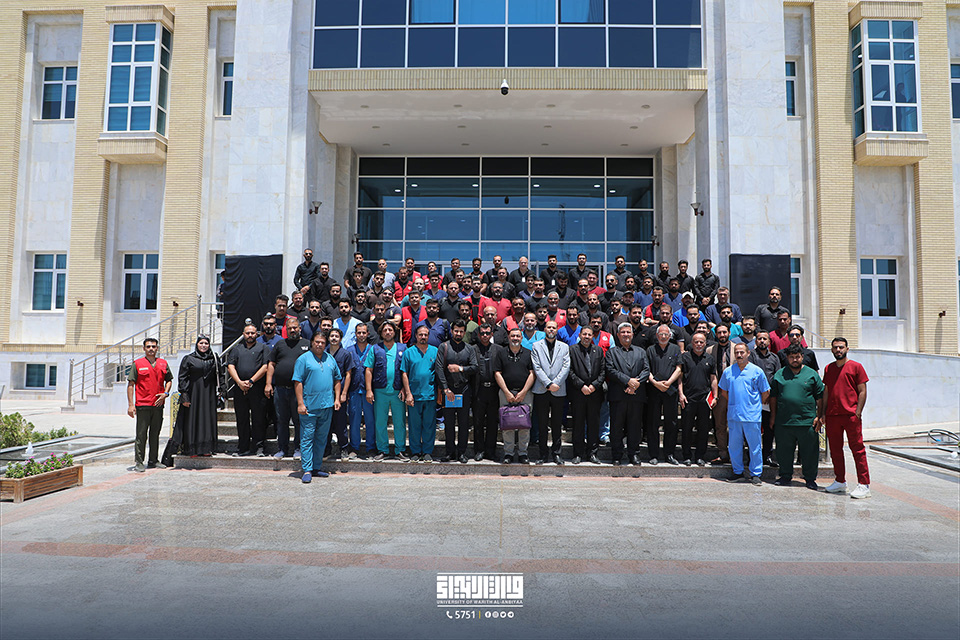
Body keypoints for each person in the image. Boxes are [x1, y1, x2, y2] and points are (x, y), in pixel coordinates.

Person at [770, 344, 825, 490]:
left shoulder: (811, 374)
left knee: (810, 452)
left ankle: (810, 479)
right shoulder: (780, 374)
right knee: (784, 451)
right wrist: (773, 417)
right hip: (784, 421)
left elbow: (820, 397)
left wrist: (819, 416)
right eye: (791, 357)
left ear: (802, 357)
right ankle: (785, 476)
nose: (795, 360)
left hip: (807, 421)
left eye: (797, 357)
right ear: (787, 358)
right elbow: (773, 397)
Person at [822, 338, 871, 499]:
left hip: (851, 415)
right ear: (831, 350)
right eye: (835, 347)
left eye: (841, 347)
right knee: (835, 450)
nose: (838, 350)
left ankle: (864, 484)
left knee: (857, 449)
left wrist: (858, 412)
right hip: (833, 415)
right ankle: (840, 481)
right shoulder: (828, 368)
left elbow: (862, 391)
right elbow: (826, 391)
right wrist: (823, 413)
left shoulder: (856, 367)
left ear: (847, 349)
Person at [719, 342, 771, 484]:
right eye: (736, 352)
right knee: (734, 446)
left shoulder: (757, 371)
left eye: (742, 352)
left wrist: (753, 405)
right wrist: (735, 402)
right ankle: (737, 472)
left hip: (752, 416)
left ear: (748, 353)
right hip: (734, 415)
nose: (739, 355)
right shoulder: (728, 372)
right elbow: (724, 392)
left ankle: (756, 474)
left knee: (755, 446)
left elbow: (765, 392)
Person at [293, 331, 342, 483]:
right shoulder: (303, 359)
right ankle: (307, 469)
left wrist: (337, 399)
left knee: (321, 438)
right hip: (309, 407)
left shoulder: (330, 359)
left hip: (326, 405)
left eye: (322, 342)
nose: (320, 345)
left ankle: (316, 467)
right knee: (307, 438)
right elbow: (298, 382)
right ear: (312, 343)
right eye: (317, 342)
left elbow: (337, 379)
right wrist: (300, 403)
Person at [605, 323, 650, 466]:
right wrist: (627, 381)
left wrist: (635, 383)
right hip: (618, 395)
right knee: (616, 428)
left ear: (632, 334)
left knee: (635, 427)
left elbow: (646, 370)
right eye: (623, 332)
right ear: (618, 335)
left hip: (636, 395)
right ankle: (616, 455)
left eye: (628, 332)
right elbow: (610, 370)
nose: (626, 334)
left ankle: (634, 454)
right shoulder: (612, 352)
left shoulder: (641, 351)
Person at [266, 317, 310, 459]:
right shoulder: (280, 344)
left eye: (295, 328)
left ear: (299, 328)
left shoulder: (307, 344)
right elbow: (271, 364)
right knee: (282, 421)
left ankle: (298, 449)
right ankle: (282, 449)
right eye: (290, 328)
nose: (292, 330)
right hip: (280, 390)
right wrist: (268, 384)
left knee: (299, 421)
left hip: (299, 391)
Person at [126, 337, 173, 472]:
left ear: (157, 348)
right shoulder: (137, 364)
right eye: (148, 346)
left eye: (153, 346)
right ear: (144, 348)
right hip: (143, 405)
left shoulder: (163, 363)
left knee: (155, 434)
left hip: (158, 405)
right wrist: (131, 405)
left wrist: (166, 393)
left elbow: (169, 380)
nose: (151, 349)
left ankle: (153, 460)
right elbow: (131, 385)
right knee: (141, 435)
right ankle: (139, 462)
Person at [436, 320, 478, 463]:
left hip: (464, 389)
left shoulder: (469, 348)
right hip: (448, 390)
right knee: (448, 424)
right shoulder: (444, 347)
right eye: (456, 331)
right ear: (452, 331)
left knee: (463, 423)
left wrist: (460, 368)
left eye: (461, 331)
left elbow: (475, 367)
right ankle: (449, 452)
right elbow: (439, 369)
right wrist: (445, 388)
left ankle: (462, 452)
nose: (458, 333)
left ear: (464, 332)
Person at [364, 323, 407, 460]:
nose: (388, 332)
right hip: (380, 391)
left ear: (394, 332)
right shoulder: (375, 349)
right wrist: (369, 390)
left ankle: (400, 449)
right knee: (380, 422)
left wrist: (405, 388)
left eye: (390, 330)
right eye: (385, 330)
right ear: (381, 333)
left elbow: (406, 370)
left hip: (398, 391)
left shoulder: (403, 348)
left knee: (399, 422)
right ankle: (383, 449)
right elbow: (368, 370)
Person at [531, 320, 570, 465]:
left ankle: (556, 453)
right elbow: (536, 367)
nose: (551, 330)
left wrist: (556, 383)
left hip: (558, 390)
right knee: (542, 424)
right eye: (549, 327)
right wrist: (548, 383)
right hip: (541, 389)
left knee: (556, 424)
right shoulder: (536, 346)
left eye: (554, 327)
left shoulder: (564, 347)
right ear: (544, 329)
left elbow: (566, 367)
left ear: (557, 329)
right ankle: (542, 454)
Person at [494, 327, 535, 464]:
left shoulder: (528, 353)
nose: (515, 338)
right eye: (513, 336)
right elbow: (497, 373)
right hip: (506, 393)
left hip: (525, 393)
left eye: (518, 336)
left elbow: (532, 374)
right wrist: (506, 392)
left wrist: (523, 392)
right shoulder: (501, 353)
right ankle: (508, 454)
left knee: (524, 424)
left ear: (522, 338)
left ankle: (523, 453)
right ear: (508, 337)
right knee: (507, 424)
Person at [226, 323, 268, 457]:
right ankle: (243, 447)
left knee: (258, 419)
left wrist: (250, 381)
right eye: (247, 333)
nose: (250, 335)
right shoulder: (236, 349)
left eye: (252, 333)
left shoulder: (263, 348)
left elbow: (265, 366)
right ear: (243, 334)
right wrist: (239, 382)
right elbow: (230, 366)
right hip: (239, 389)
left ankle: (259, 448)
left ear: (257, 334)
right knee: (242, 419)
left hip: (257, 388)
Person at [176, 335, 220, 457]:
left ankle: (206, 449)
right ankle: (192, 449)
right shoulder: (189, 359)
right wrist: (184, 395)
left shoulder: (214, 358)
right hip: (194, 393)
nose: (203, 345)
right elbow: (182, 377)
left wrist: (222, 391)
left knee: (207, 419)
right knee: (192, 419)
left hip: (209, 393)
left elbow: (220, 375)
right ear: (197, 344)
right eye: (201, 343)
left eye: (206, 343)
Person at [678, 332, 718, 466]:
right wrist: (681, 394)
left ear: (705, 343)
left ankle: (700, 456)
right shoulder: (685, 357)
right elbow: (680, 377)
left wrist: (715, 396)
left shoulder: (710, 359)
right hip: (688, 398)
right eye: (696, 342)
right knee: (687, 428)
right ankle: (687, 456)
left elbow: (713, 379)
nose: (699, 344)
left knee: (703, 429)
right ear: (692, 343)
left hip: (704, 399)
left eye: (701, 342)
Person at [402, 325, 440, 463]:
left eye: (425, 335)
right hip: (414, 395)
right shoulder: (408, 352)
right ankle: (416, 451)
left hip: (430, 394)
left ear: (428, 336)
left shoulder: (435, 351)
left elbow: (439, 373)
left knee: (429, 425)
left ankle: (428, 451)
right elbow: (404, 373)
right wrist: (408, 393)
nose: (423, 337)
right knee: (414, 425)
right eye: (420, 334)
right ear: (416, 336)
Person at [646, 325, 682, 465]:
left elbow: (679, 368)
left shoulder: (675, 349)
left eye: (666, 334)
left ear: (670, 336)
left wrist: (668, 382)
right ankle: (653, 454)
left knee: (671, 423)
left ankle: (669, 454)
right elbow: (646, 369)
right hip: (654, 390)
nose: (663, 336)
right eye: (661, 334)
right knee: (652, 422)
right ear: (656, 335)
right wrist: (655, 383)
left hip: (670, 390)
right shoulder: (650, 350)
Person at [568, 325, 605, 464]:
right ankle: (578, 453)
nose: (587, 337)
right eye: (584, 334)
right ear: (579, 335)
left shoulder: (599, 350)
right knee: (578, 424)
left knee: (593, 425)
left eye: (589, 335)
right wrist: (581, 386)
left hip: (595, 393)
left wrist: (594, 385)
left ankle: (592, 453)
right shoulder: (572, 350)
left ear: (592, 336)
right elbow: (570, 371)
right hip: (578, 393)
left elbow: (603, 371)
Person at [750, 330, 782, 466]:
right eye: (759, 339)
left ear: (769, 341)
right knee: (753, 430)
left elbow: (777, 377)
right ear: (755, 341)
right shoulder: (750, 356)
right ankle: (752, 457)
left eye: (764, 339)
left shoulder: (774, 358)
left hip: (770, 400)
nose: (762, 341)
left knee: (769, 429)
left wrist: (771, 395)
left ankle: (767, 456)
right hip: (753, 400)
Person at [471, 323, 502, 462]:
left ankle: (491, 451)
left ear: (491, 334)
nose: (485, 336)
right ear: (478, 335)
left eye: (487, 333)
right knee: (478, 422)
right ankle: (479, 450)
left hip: (494, 390)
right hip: (478, 390)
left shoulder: (499, 349)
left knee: (492, 422)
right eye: (482, 333)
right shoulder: (473, 349)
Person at [324, 328, 353, 459]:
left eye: (337, 336)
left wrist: (344, 393)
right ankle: (326, 449)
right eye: (332, 336)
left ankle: (344, 448)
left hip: (339, 393)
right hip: (325, 393)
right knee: (326, 423)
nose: (334, 338)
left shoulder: (345, 354)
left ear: (341, 339)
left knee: (340, 422)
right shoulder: (323, 353)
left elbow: (348, 374)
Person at [347, 323, 376, 458]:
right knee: (354, 420)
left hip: (369, 391)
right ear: (355, 334)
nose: (361, 335)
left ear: (368, 334)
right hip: (354, 390)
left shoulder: (373, 350)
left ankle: (371, 447)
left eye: (364, 332)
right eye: (359, 332)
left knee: (370, 420)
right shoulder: (349, 350)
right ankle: (354, 447)